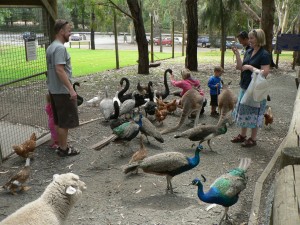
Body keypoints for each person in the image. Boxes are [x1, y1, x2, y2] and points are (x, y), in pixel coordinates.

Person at [231, 28, 270, 147]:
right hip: (244, 86)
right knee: (243, 111)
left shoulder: (264, 54)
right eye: (249, 38)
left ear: (259, 38)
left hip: (255, 90)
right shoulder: (248, 51)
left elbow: (265, 72)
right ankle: (243, 136)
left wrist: (250, 67)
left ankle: (253, 139)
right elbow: (240, 67)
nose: (249, 40)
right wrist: (237, 54)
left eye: (252, 38)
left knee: (254, 112)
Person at [46, 19, 80, 157]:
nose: (70, 33)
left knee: (59, 121)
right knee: (64, 122)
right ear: (61, 31)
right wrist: (71, 89)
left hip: (54, 90)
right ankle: (64, 149)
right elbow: (60, 70)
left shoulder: (51, 47)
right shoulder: (60, 48)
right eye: (68, 30)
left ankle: (61, 146)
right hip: (62, 91)